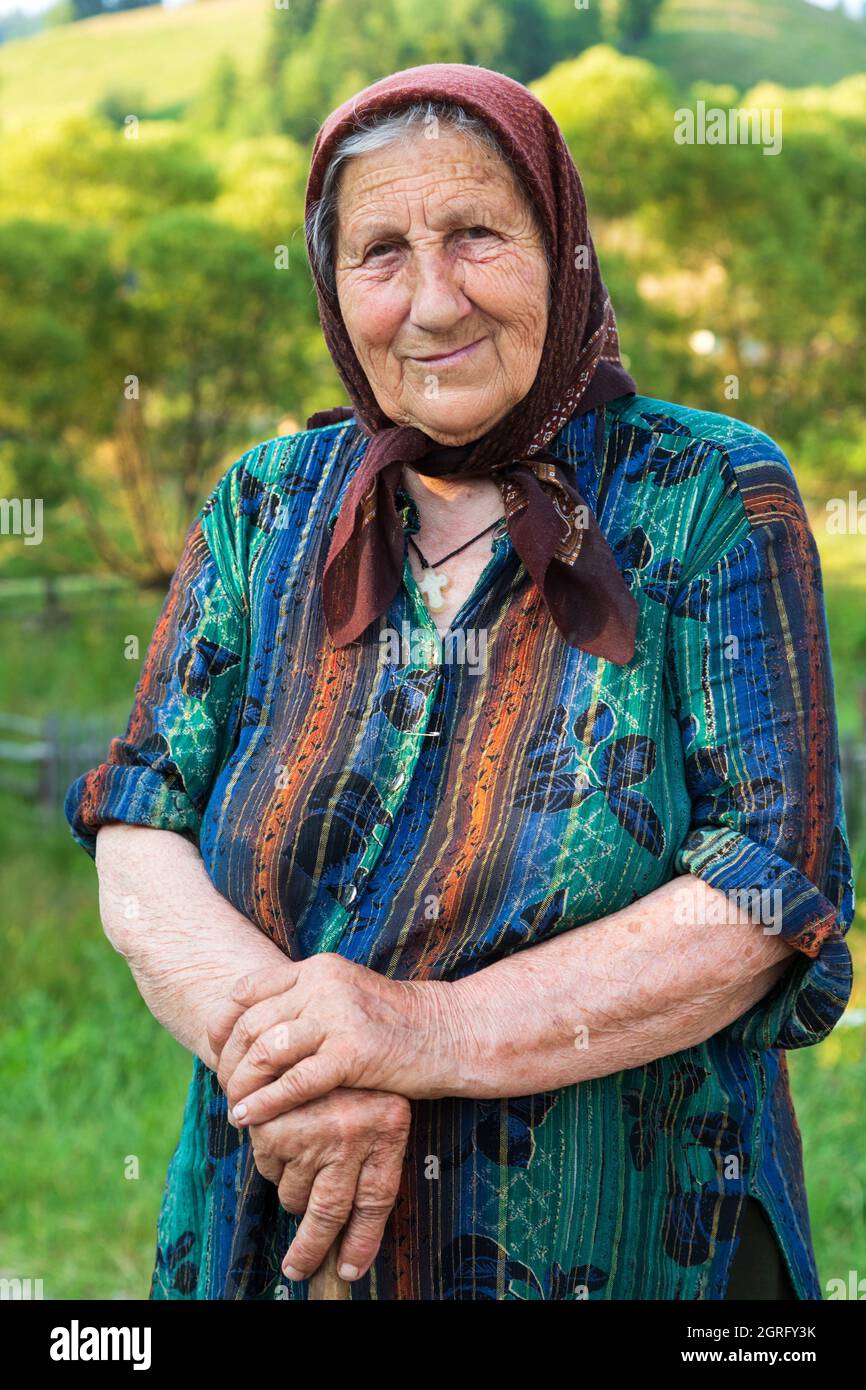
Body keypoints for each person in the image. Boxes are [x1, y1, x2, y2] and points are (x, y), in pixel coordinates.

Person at [66, 64, 854, 1301]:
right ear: (331, 291)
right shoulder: (265, 505)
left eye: (477, 234)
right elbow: (138, 818)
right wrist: (306, 1070)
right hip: (272, 1237)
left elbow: (764, 886)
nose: (432, 301)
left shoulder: (708, 496)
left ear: (561, 247)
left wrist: (413, 1033)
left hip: (632, 1246)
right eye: (380, 251)